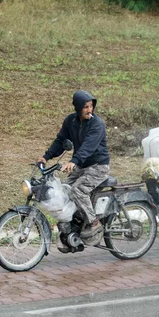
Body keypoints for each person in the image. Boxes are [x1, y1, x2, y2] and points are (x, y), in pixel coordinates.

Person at [37, 90, 110, 252]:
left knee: (78, 190)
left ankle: (93, 222)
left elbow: (88, 147)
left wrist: (74, 161)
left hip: (98, 166)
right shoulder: (71, 121)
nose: (89, 110)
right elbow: (60, 141)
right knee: (65, 191)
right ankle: (73, 227)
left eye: (91, 106)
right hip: (82, 165)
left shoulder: (96, 124)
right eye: (85, 107)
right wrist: (46, 156)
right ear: (78, 108)